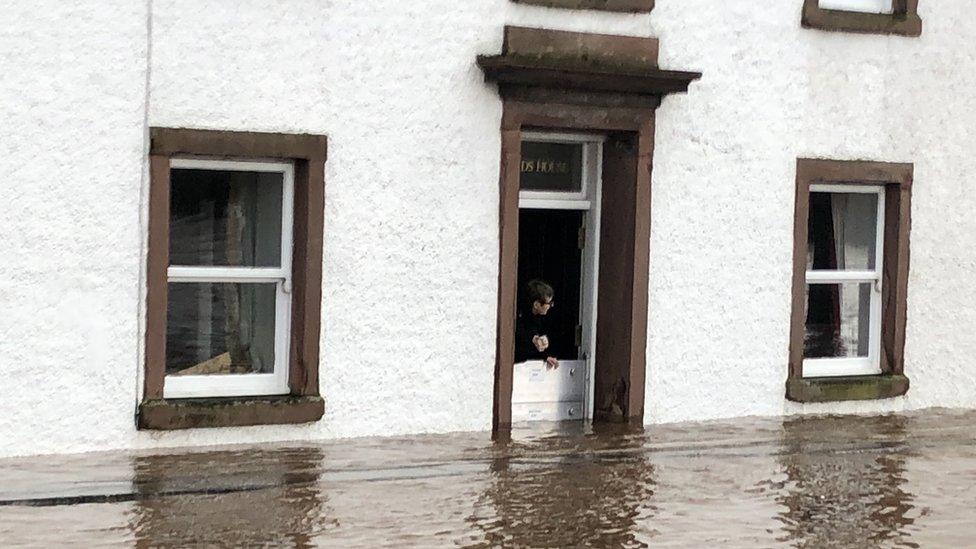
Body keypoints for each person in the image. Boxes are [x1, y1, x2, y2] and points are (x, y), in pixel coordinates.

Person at [514, 279, 560, 369]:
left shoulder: (544, 317)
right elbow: (522, 334)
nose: (550, 306)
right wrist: (534, 339)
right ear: (536, 305)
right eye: (548, 303)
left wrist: (546, 355)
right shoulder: (518, 317)